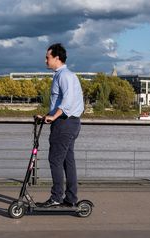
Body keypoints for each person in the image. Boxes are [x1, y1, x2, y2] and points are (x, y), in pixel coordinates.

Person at [38, 43, 84, 208]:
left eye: (47, 57)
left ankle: (57, 197)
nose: (45, 61)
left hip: (64, 124)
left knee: (55, 160)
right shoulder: (67, 75)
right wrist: (48, 116)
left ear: (57, 58)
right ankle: (71, 198)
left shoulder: (63, 75)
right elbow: (62, 102)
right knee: (67, 161)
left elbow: (68, 101)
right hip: (71, 123)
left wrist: (54, 116)